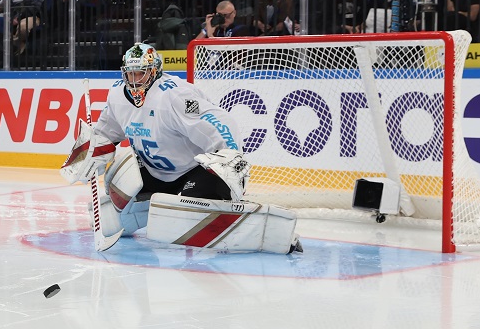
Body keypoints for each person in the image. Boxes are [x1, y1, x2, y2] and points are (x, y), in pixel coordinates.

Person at [60, 43, 301, 254]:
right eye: (130, 74)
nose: (134, 82)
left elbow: (220, 123)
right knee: (104, 217)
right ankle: (156, 209)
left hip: (193, 170)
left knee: (187, 218)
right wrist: (89, 152)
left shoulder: (174, 96)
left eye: (140, 75)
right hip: (153, 172)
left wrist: (229, 156)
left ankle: (250, 224)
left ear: (154, 72)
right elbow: (105, 133)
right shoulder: (116, 96)